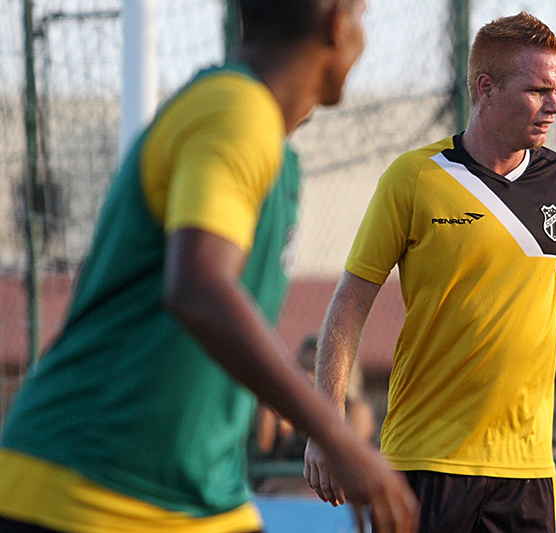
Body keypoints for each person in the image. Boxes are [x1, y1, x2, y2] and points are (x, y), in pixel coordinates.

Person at [0, 1, 418, 532]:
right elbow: (197, 286)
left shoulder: (273, 150)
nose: (365, 39)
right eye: (363, 17)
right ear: (337, 23)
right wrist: (336, 437)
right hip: (81, 487)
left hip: (198, 497)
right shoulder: (236, 111)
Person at [304, 11, 556, 532]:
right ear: (486, 88)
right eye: (538, 90)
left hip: (526, 472)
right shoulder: (413, 178)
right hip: (423, 462)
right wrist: (327, 426)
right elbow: (349, 302)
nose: (554, 105)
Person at [252, 335, 375, 495]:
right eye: (302, 369)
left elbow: (346, 461)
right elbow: (265, 451)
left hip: (325, 494)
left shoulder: (357, 410)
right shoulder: (293, 412)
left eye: (316, 369)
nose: (308, 376)